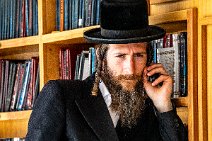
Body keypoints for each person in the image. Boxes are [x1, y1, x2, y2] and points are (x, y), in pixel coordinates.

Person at [26, 0, 187, 140]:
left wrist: (163, 105)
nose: (130, 68)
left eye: (138, 55)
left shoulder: (149, 109)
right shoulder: (62, 95)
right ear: (101, 57)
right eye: (120, 56)